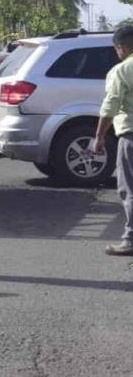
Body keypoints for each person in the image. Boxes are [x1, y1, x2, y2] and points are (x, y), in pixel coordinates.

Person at [93, 25, 133, 256]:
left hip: (130, 136)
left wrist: (99, 136)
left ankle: (130, 239)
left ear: (122, 47)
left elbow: (111, 106)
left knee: (129, 190)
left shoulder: (122, 70)